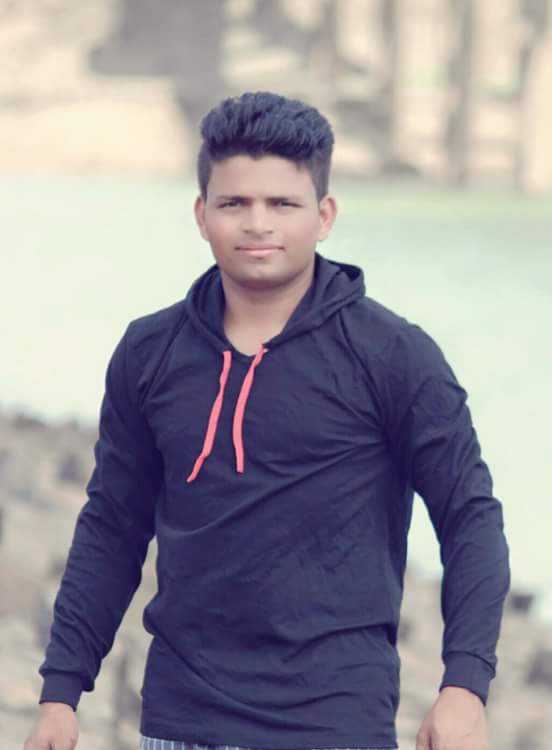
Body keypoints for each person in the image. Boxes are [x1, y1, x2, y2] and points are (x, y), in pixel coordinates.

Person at [24, 91, 510, 750]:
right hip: (178, 723)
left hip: (332, 724)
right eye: (234, 203)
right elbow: (113, 526)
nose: (257, 223)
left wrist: (465, 686)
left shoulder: (394, 355)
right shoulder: (149, 352)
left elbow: (470, 516)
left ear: (324, 215)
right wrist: (61, 692)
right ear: (201, 214)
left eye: (283, 203)